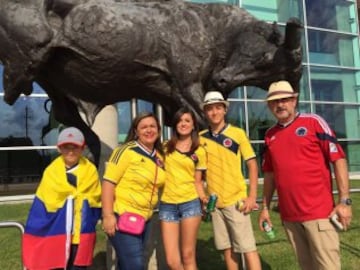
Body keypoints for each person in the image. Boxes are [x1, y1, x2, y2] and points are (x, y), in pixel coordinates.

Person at [259, 80, 353, 270]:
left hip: (319, 214)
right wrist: (265, 207)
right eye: (275, 102)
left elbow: (339, 159)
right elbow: (270, 175)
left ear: (294, 101)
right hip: (290, 218)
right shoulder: (270, 135)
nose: (280, 105)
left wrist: (344, 201)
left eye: (285, 99)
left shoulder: (313, 122)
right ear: (269, 106)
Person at [23, 127, 102, 270]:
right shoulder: (51, 172)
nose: (70, 151)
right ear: (59, 149)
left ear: (82, 148)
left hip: (80, 235)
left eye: (75, 147)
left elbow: (96, 201)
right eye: (66, 147)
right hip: (56, 234)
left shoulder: (91, 171)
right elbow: (43, 205)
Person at [199, 91, 261, 270]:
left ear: (225, 110)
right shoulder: (201, 137)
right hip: (215, 203)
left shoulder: (237, 133)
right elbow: (199, 172)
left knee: (248, 248)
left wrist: (252, 197)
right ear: (205, 112)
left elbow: (252, 165)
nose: (214, 112)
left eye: (218, 108)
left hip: (236, 201)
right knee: (227, 248)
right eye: (210, 109)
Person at [101, 112, 166, 270]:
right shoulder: (125, 151)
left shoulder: (159, 156)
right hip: (123, 216)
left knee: (127, 264)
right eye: (144, 127)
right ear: (136, 131)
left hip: (146, 219)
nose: (149, 130)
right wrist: (108, 215)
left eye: (152, 126)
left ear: (158, 129)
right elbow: (108, 182)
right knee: (135, 265)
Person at [159, 107, 207, 270]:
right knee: (172, 261)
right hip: (167, 205)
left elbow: (198, 181)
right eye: (180, 120)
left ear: (193, 125)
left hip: (190, 203)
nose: (183, 124)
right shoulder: (164, 148)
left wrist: (203, 198)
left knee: (188, 256)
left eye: (187, 120)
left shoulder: (199, 150)